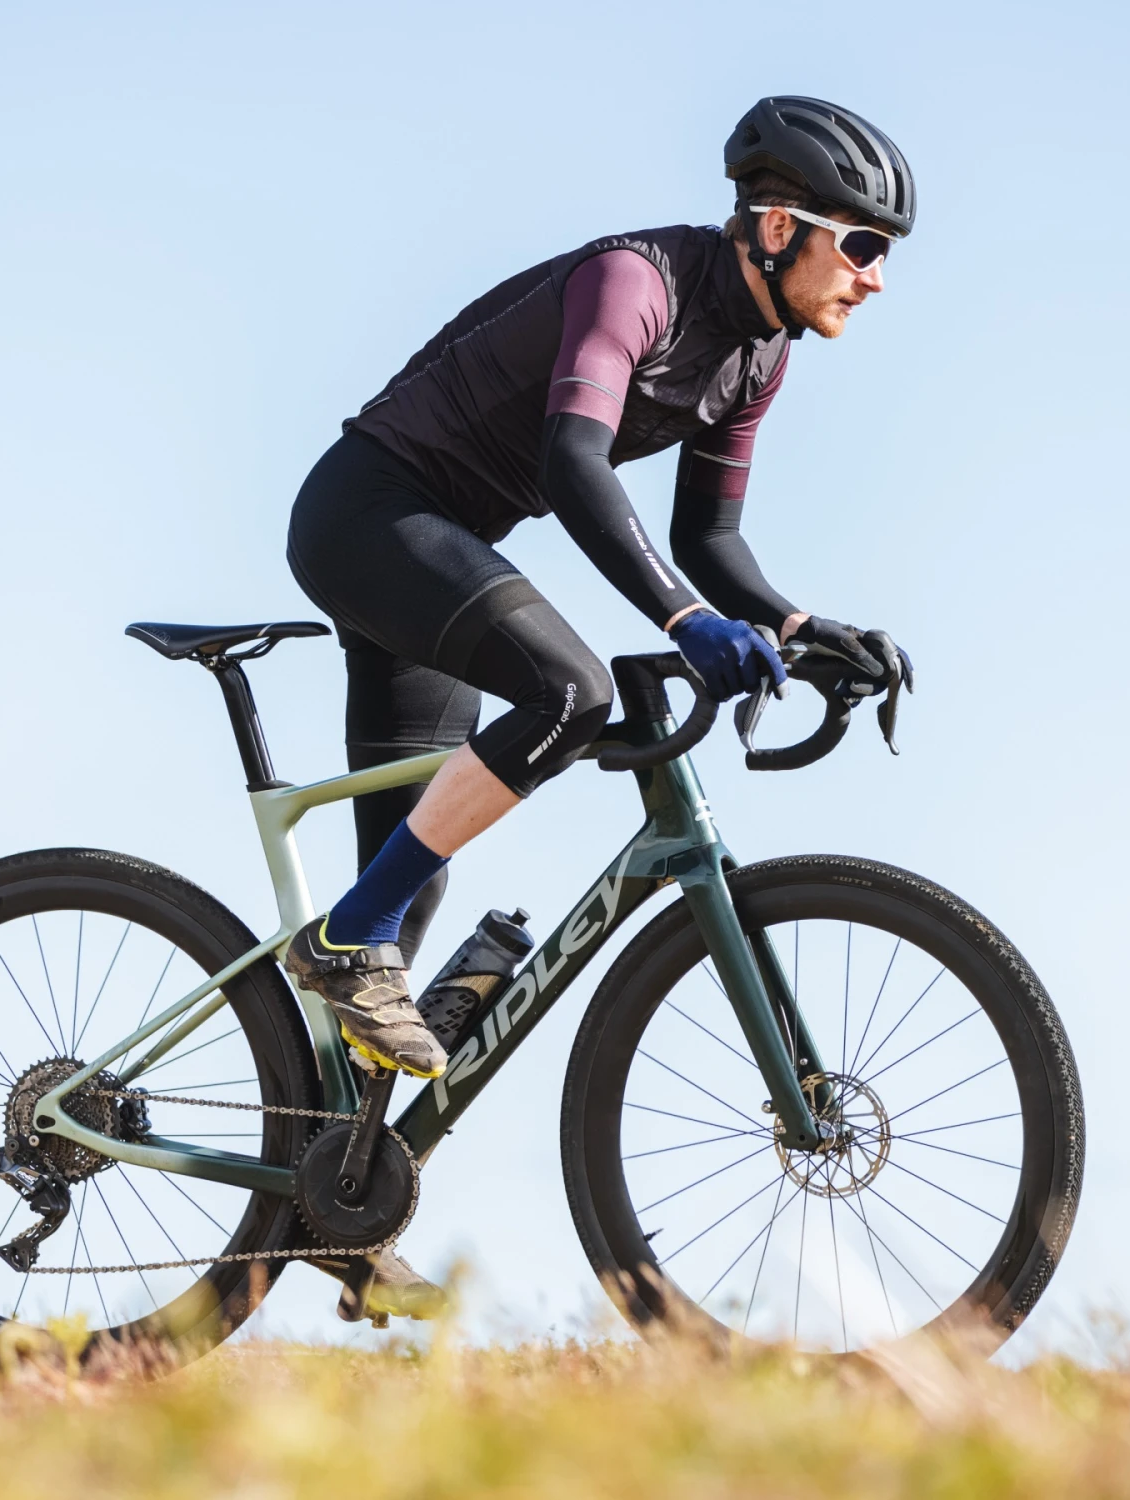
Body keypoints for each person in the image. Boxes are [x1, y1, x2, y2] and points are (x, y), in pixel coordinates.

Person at [285, 95, 915, 1090]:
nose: (876, 278)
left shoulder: (761, 357)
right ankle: (339, 941)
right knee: (571, 693)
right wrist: (687, 619)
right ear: (778, 227)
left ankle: (330, 1154)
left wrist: (802, 627)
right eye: (864, 246)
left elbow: (707, 537)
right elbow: (573, 461)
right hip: (368, 516)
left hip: (444, 551)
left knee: (416, 880)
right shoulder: (635, 282)